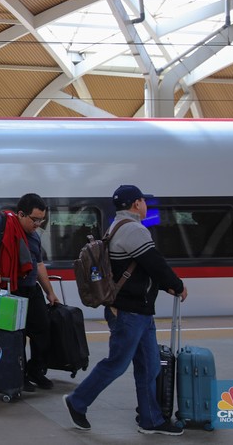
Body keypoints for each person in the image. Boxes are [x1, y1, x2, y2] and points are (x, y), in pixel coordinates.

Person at [63, 185, 188, 435]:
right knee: (117, 364)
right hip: (129, 312)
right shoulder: (133, 229)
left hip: (139, 310)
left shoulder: (117, 226)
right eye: (143, 201)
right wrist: (177, 285)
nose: (145, 206)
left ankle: (150, 419)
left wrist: (164, 287)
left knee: (149, 366)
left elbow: (141, 268)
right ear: (136, 204)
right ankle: (78, 401)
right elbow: (155, 264)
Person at [0, 193, 59, 392]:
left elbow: (39, 265)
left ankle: (35, 370)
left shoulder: (34, 236)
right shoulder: (2, 222)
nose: (38, 224)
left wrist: (50, 292)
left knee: (43, 329)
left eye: (41, 220)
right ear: (21, 214)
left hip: (31, 289)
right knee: (16, 335)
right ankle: (18, 375)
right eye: (34, 219)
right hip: (9, 289)